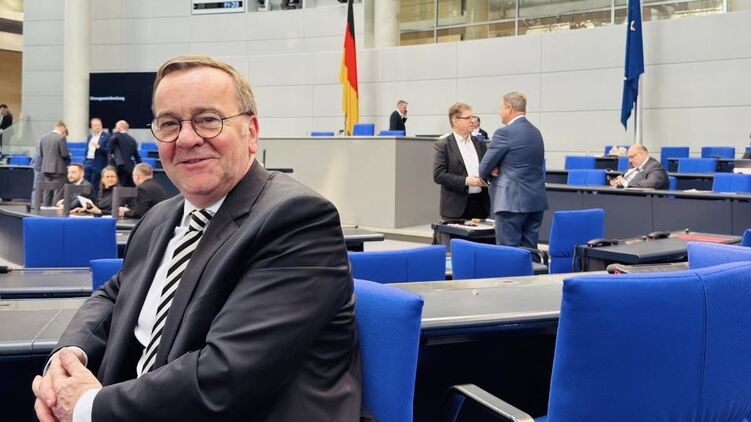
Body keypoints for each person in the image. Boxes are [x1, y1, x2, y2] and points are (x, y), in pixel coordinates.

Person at [32, 55, 363, 422]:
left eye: (208, 120)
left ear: (251, 132)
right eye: (169, 123)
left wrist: (85, 407)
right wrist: (69, 355)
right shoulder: (161, 217)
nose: (187, 139)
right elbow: (115, 293)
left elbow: (225, 375)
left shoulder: (297, 220)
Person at [479, 92, 548, 249]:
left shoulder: (504, 133)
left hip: (510, 203)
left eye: (501, 108)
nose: (499, 112)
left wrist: (492, 171)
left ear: (509, 108)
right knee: (530, 252)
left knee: (507, 253)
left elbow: (483, 168)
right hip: (535, 202)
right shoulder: (536, 132)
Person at [433, 102, 490, 221]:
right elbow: (439, 175)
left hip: (480, 205)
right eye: (468, 118)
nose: (472, 121)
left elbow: (486, 168)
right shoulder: (443, 145)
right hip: (455, 208)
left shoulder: (480, 144)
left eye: (473, 117)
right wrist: (466, 181)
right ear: (455, 120)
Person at [39, 121, 71, 206]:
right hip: (58, 169)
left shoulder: (43, 138)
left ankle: (46, 208)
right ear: (62, 127)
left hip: (46, 168)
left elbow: (41, 154)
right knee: (58, 191)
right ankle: (55, 209)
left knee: (47, 190)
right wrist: (69, 156)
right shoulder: (61, 138)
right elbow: (64, 154)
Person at [108, 120, 141, 187]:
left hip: (117, 168)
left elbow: (109, 151)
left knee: (117, 188)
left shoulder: (115, 137)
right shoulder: (132, 140)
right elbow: (137, 157)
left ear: (118, 128)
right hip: (129, 168)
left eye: (115, 127)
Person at [83, 117, 111, 197]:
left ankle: (95, 200)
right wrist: (85, 161)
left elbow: (108, 150)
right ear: (92, 127)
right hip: (88, 162)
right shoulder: (90, 136)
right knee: (86, 183)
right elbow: (87, 150)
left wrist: (99, 147)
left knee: (95, 184)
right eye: (95, 125)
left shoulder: (107, 136)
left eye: (99, 125)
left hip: (99, 163)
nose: (98, 127)